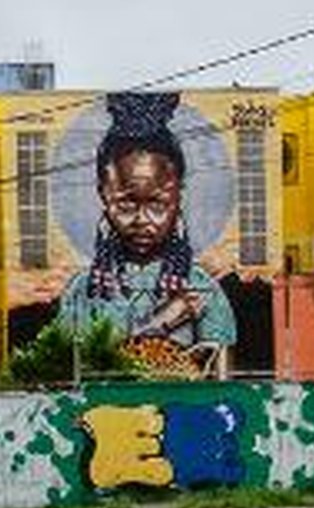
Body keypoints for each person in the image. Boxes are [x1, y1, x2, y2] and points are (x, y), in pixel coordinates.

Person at [56, 91, 237, 374]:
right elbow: (71, 375)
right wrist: (158, 324)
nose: (142, 220)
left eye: (157, 203)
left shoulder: (202, 291)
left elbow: (221, 384)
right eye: (126, 203)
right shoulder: (83, 291)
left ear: (179, 196)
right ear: (103, 195)